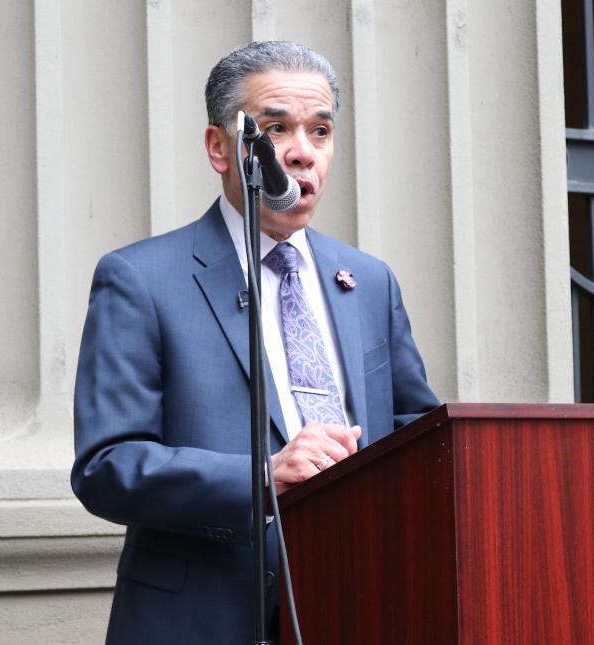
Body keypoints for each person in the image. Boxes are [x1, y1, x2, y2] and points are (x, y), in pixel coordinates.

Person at [71, 41, 439, 644]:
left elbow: (419, 438)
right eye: (275, 129)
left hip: (360, 605)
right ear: (220, 147)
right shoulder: (141, 279)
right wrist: (263, 477)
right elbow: (106, 467)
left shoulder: (369, 281)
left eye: (320, 131)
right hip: (206, 620)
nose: (301, 154)